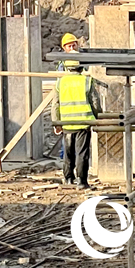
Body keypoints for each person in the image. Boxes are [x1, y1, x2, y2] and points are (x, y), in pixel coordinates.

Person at [51, 59, 98, 188]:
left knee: (68, 152)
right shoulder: (87, 81)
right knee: (82, 153)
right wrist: (98, 117)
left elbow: (55, 104)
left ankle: (68, 179)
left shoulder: (61, 82)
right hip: (83, 123)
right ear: (81, 67)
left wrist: (56, 123)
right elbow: (94, 102)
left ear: (66, 67)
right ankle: (82, 181)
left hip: (66, 123)